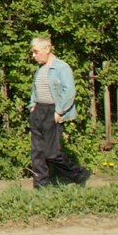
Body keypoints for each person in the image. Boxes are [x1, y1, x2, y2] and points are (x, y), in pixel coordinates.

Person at [28, 36, 91, 189]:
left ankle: (79, 174)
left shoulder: (62, 68)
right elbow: (35, 90)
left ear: (47, 49)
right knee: (38, 151)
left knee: (52, 153)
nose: (33, 56)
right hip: (39, 111)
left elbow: (69, 91)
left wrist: (59, 111)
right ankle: (41, 184)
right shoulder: (40, 69)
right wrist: (33, 105)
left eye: (36, 52)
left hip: (53, 111)